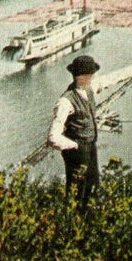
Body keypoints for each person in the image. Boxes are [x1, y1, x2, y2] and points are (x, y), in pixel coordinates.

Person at [48, 55, 103, 208]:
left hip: (90, 147)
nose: (93, 77)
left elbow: (113, 78)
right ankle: (73, 224)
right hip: (77, 152)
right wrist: (75, 146)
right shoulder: (65, 101)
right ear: (84, 76)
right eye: (90, 75)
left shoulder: (89, 89)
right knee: (77, 191)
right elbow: (53, 137)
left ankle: (90, 221)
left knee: (92, 188)